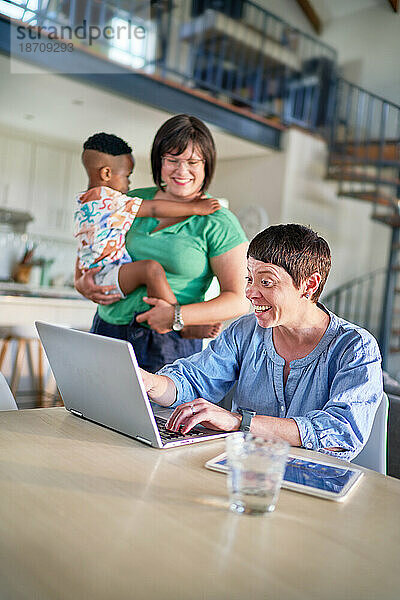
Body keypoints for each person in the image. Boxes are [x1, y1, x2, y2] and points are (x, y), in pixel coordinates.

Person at [141, 224, 383, 460]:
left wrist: (239, 422)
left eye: (266, 282)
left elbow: (342, 432)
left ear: (309, 284)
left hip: (316, 484)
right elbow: (194, 380)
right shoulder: (245, 330)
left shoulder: (355, 348)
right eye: (249, 279)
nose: (250, 292)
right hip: (245, 472)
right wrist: (150, 383)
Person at [75, 115, 249, 372]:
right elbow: (91, 242)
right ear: (159, 161)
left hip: (168, 343)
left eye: (192, 162)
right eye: (172, 160)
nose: (182, 171)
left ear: (206, 165)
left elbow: (239, 299)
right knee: (89, 410)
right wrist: (80, 281)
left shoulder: (219, 221)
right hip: (106, 330)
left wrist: (177, 316)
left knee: (156, 414)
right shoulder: (130, 200)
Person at [75, 132, 221, 303]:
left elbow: (82, 248)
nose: (128, 183)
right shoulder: (111, 201)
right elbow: (153, 208)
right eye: (126, 176)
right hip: (105, 276)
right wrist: (195, 207)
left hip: (93, 276)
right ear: (106, 174)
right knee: (151, 270)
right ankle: (175, 315)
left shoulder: (84, 202)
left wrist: (79, 282)